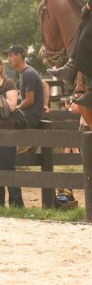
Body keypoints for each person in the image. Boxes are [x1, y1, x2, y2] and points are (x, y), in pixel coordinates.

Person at [5, 44, 45, 153]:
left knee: (5, 120)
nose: (8, 59)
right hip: (29, 113)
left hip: (31, 115)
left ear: (19, 56)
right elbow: (44, 85)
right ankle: (20, 148)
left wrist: (15, 108)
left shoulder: (28, 73)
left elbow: (29, 100)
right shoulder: (24, 73)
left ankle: (18, 148)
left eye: (10, 55)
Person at [0, 57, 24, 207]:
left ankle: (16, 204)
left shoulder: (9, 83)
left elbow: (13, 105)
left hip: (7, 131)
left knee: (8, 167)